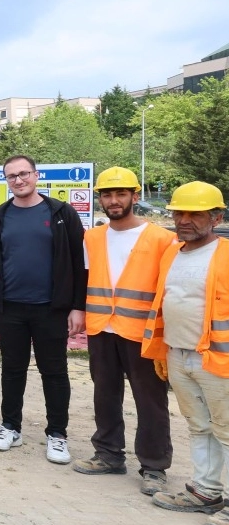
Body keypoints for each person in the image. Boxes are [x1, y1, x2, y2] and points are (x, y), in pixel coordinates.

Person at [74, 167, 175, 494]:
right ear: (100, 199)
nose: (114, 200)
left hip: (142, 332)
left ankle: (154, 466)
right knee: (104, 393)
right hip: (102, 328)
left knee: (150, 400)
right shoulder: (93, 237)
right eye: (107, 195)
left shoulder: (162, 239)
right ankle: (108, 454)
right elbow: (84, 278)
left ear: (135, 196)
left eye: (121, 194)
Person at [0, 154, 87, 463]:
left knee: (54, 372)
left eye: (24, 174)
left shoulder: (61, 213)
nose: (19, 180)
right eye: (11, 176)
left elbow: (80, 263)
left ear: (36, 175)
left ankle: (57, 434)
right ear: (6, 180)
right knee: (12, 370)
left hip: (51, 309)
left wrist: (77, 307)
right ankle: (10, 427)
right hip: (10, 309)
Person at [142, 181, 229, 525]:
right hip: (178, 353)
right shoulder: (172, 253)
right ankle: (205, 491)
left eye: (195, 214)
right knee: (199, 426)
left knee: (226, 430)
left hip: (218, 359)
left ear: (216, 218)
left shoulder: (225, 255)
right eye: (179, 213)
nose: (184, 220)